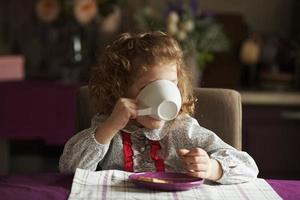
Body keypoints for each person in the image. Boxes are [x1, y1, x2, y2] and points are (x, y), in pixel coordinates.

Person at [59, 31, 258, 184]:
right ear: (120, 90)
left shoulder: (182, 130)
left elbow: (248, 166)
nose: (163, 98)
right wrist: (110, 127)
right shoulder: (108, 126)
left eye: (170, 85)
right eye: (148, 87)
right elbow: (69, 168)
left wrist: (212, 168)